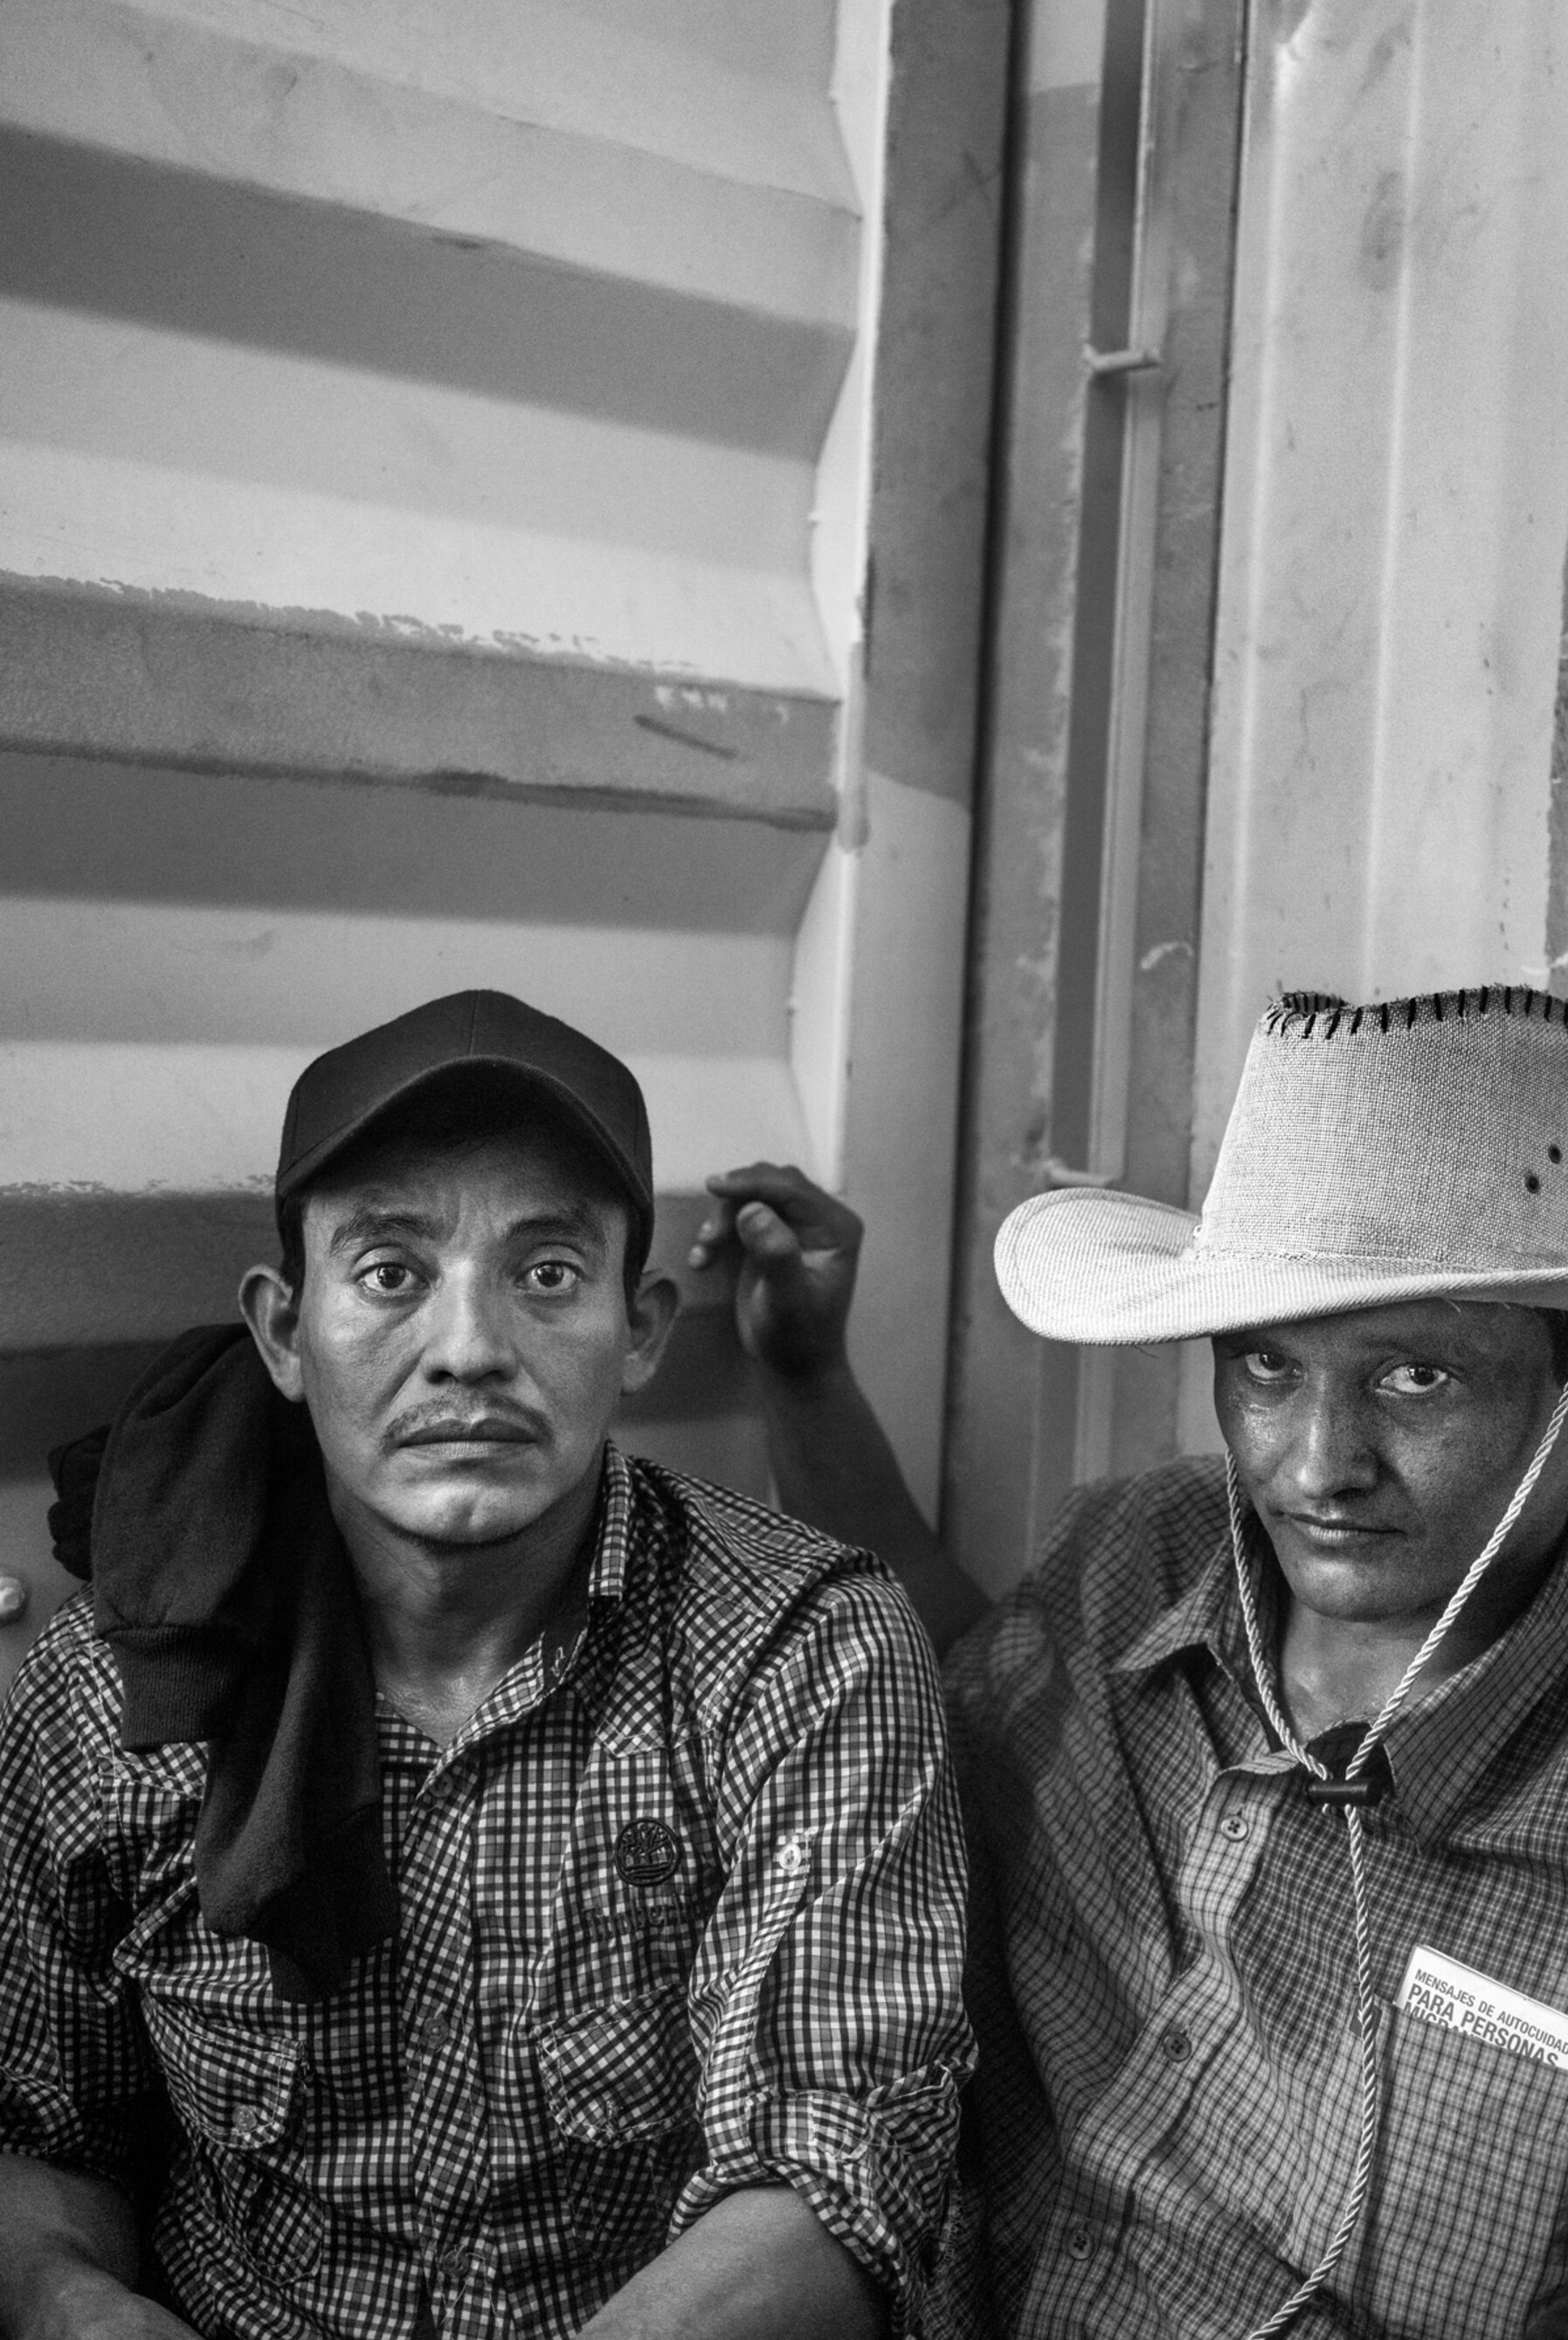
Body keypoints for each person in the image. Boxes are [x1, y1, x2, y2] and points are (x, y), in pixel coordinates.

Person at [694, 987, 1568, 2339]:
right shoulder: (1136, 1564)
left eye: (1414, 1380)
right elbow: (932, 1680)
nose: (1317, 1467)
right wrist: (806, 1380)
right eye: (1265, 1368)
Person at [0, 990, 971, 2340]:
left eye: (547, 1274)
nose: (469, 1351)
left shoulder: (802, 1657)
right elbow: (41, 2126)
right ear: (287, 1332)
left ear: (638, 1329)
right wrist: (72, 2306)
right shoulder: (119, 1684)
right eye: (392, 1273)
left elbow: (833, 2166)